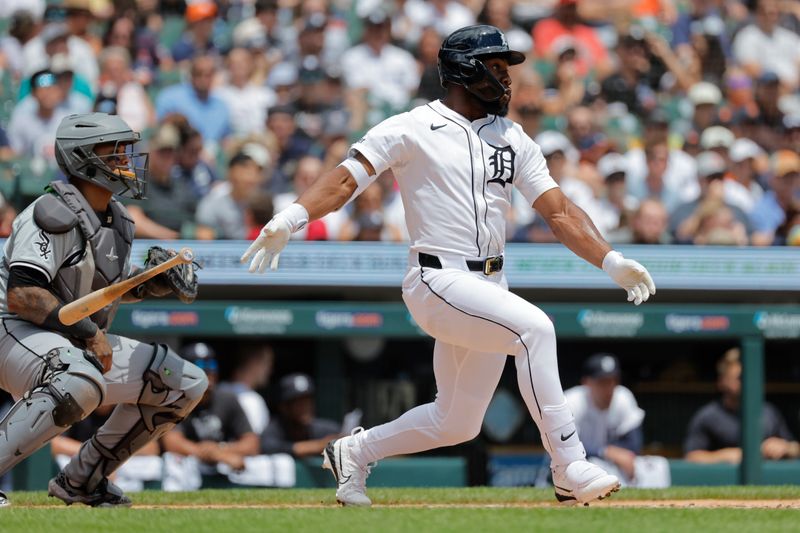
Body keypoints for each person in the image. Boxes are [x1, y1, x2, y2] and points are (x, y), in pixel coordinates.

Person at [242, 25, 656, 507]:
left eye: (507, 69)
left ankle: (353, 450)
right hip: (436, 277)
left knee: (456, 421)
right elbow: (344, 180)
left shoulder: (513, 136)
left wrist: (609, 259)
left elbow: (559, 210)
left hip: (490, 283)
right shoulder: (411, 126)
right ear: (464, 70)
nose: (507, 79)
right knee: (535, 330)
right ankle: (568, 465)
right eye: (496, 68)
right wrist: (290, 218)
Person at [0, 112, 208, 507]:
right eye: (113, 152)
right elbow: (23, 294)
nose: (126, 161)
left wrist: (151, 282)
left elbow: (100, 292)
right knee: (78, 377)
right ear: (82, 157)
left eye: (125, 152)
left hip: (61, 341)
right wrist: (90, 335)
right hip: (11, 332)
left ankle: (82, 481)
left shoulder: (120, 220)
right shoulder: (52, 212)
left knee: (182, 383)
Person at [565, 354, 669, 488]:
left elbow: (634, 443)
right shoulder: (571, 402)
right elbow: (564, 450)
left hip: (609, 462)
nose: (609, 388)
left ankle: (650, 505)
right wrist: (604, 451)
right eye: (602, 382)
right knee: (595, 466)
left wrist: (616, 454)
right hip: (576, 465)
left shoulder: (623, 397)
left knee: (657, 466)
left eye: (613, 381)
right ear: (586, 382)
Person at [684, 348, 800, 464]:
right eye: (739, 378)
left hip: (764, 480)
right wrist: (726, 456)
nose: (746, 382)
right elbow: (691, 457)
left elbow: (796, 448)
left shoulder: (768, 412)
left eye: (750, 376)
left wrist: (786, 447)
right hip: (724, 480)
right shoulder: (708, 416)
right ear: (722, 382)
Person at [260, 373, 342, 457]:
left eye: (308, 400)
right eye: (299, 403)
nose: (305, 407)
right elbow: (267, 447)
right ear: (284, 407)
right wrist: (318, 446)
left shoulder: (325, 429)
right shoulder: (274, 429)